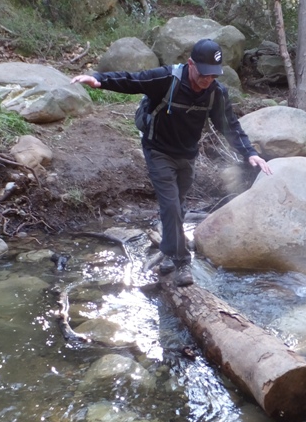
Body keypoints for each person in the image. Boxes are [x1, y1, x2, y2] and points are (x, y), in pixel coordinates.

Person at [71, 38, 272, 286]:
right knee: (171, 206)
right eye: (204, 73)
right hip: (158, 151)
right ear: (190, 64)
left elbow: (229, 125)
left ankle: (167, 251)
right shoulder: (167, 79)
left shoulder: (215, 93)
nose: (207, 80)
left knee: (177, 205)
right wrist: (99, 80)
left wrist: (250, 152)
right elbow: (134, 80)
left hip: (187, 154)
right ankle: (181, 262)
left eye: (213, 75)